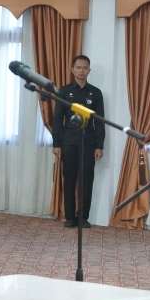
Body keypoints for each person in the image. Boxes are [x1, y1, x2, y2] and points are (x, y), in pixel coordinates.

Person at [52, 55, 105, 228]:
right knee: (69, 178)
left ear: (89, 70)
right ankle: (70, 217)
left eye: (85, 68)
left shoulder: (95, 93)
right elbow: (57, 119)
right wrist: (56, 144)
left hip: (88, 143)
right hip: (69, 142)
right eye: (78, 67)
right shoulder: (64, 92)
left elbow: (100, 122)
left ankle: (82, 217)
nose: (82, 71)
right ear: (72, 69)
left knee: (86, 180)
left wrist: (99, 145)